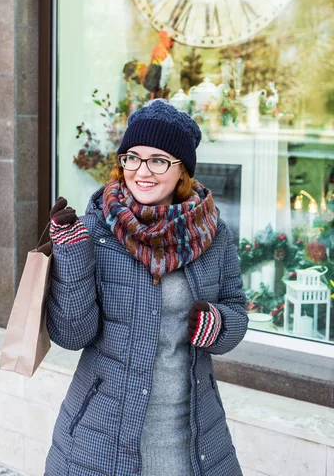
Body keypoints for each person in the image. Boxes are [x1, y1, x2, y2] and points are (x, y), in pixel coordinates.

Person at [44, 99, 248, 476]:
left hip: (193, 438)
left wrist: (218, 324)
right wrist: (71, 255)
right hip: (101, 438)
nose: (142, 171)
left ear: (182, 170)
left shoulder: (213, 236)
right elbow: (72, 334)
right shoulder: (96, 231)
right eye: (132, 158)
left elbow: (236, 307)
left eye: (158, 160)